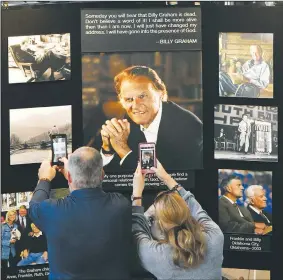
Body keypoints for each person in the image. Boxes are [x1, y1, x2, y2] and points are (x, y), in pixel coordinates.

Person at [28, 147, 131, 280]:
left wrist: (44, 178)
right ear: (102, 175)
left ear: (69, 177)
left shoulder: (51, 211)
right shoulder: (121, 205)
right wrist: (77, 177)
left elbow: (33, 206)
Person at [99, 66, 203, 172]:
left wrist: (123, 150)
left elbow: (163, 181)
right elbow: (111, 179)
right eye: (129, 99)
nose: (135, 105)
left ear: (161, 93)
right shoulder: (129, 121)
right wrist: (108, 149)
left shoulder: (188, 127)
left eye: (142, 96)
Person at [131, 161, 224, 280]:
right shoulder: (215, 236)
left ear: (160, 225)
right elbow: (195, 207)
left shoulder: (157, 255)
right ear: (187, 213)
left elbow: (137, 232)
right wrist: (166, 177)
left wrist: (137, 194)